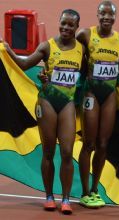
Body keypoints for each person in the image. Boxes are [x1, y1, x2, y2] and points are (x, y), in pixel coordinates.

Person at [1, 9, 85, 215]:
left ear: (76, 27)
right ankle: (49, 196)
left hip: (67, 103)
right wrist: (8, 49)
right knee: (48, 151)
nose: (66, 28)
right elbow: (23, 64)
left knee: (67, 152)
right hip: (47, 102)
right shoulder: (48, 46)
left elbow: (83, 75)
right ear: (59, 22)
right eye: (63, 23)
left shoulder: (82, 49)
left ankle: (66, 199)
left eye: (70, 25)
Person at [76, 0, 119, 208]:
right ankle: (85, 191)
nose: (107, 17)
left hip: (109, 96)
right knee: (89, 143)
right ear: (97, 15)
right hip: (91, 95)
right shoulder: (86, 35)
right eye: (103, 14)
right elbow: (74, 56)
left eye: (110, 14)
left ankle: (96, 189)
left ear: (115, 17)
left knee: (104, 144)